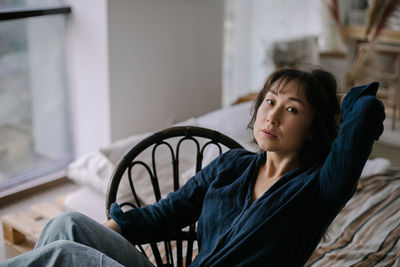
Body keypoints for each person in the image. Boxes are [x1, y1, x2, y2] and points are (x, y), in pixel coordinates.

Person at [1, 68, 385, 267]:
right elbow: (165, 214)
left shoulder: (318, 189)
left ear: (313, 127)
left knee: (64, 256)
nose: (272, 115)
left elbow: (365, 112)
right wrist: (104, 235)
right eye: (270, 101)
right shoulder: (231, 166)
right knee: (65, 227)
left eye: (292, 109)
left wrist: (335, 100)